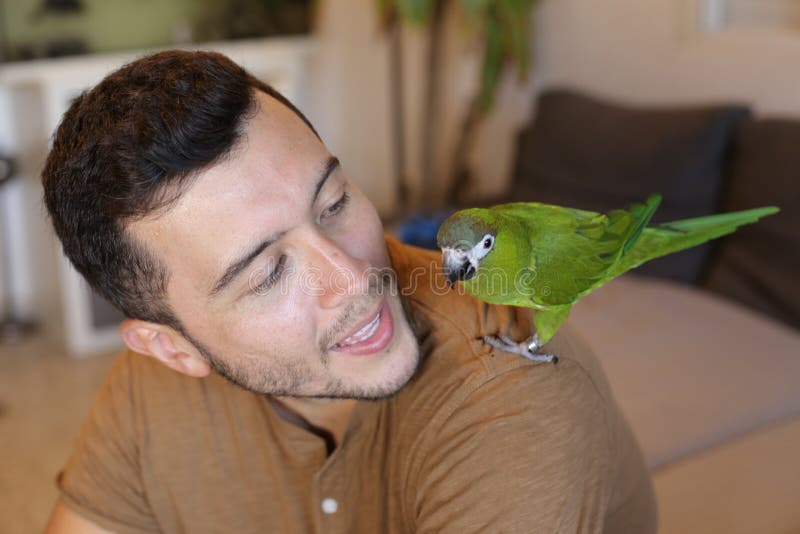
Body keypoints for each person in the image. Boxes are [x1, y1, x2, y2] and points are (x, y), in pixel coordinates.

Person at [42, 50, 657, 533]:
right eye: (267, 274)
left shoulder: (513, 398)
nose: (356, 277)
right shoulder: (150, 387)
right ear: (174, 348)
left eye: (333, 203)